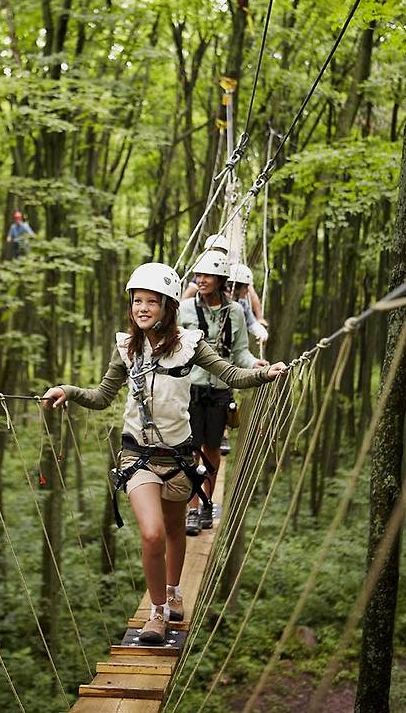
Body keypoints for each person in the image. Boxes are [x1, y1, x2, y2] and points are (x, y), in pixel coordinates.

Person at [42, 262, 286, 644]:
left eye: (150, 302)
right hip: (136, 456)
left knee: (175, 531)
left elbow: (231, 374)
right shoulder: (126, 348)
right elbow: (102, 396)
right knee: (152, 534)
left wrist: (264, 374)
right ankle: (156, 614)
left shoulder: (190, 344)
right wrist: (67, 391)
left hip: (179, 458)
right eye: (137, 301)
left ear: (168, 306)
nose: (141, 309)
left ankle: (174, 592)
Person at [178, 251, 267, 535]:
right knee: (191, 451)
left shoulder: (236, 312)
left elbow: (240, 352)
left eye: (207, 276)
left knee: (212, 451)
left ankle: (206, 503)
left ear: (220, 280)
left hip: (220, 390)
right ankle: (192, 509)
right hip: (190, 388)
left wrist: (256, 365)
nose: (201, 281)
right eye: (198, 276)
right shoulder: (185, 310)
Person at [181, 233, 230, 301]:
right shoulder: (202, 273)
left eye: (217, 250)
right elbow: (188, 295)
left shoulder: (232, 271)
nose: (213, 253)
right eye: (210, 250)